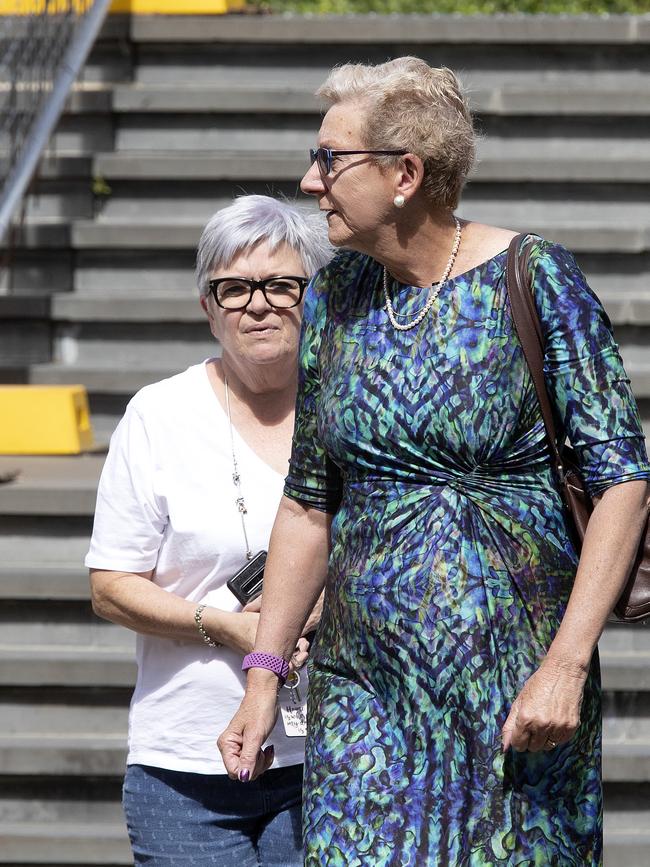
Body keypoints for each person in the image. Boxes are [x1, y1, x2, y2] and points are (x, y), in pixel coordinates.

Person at [218, 59, 650, 865]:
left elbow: (623, 479)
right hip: (366, 696)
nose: (310, 182)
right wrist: (264, 673)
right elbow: (309, 499)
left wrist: (566, 663)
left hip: (517, 698)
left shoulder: (536, 279)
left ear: (405, 173)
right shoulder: (334, 299)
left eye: (330, 159)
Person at [86, 194, 331, 866]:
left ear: (313, 294)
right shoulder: (158, 415)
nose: (258, 304)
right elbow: (110, 586)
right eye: (234, 288)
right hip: (185, 769)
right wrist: (227, 626)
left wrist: (316, 608)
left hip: (328, 763)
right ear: (208, 307)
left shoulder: (348, 408)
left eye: (281, 284)